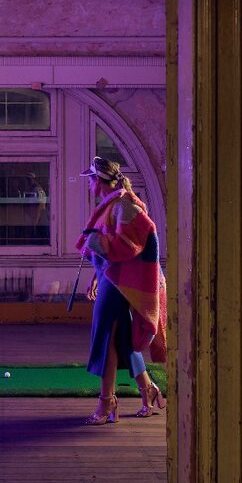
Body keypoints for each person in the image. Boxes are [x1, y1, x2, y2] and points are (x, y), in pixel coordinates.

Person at [75, 156, 167, 425]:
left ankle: (107, 402)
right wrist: (97, 274)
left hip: (121, 283)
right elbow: (115, 249)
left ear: (99, 181)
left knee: (105, 333)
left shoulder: (125, 205)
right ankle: (148, 390)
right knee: (121, 337)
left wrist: (96, 241)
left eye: (90, 179)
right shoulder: (112, 205)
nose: (89, 184)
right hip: (112, 279)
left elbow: (131, 244)